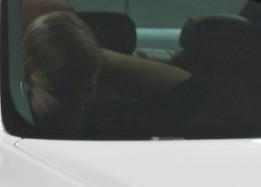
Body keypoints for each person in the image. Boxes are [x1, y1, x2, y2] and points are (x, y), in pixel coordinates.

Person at [22, 10, 189, 135]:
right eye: (63, 93)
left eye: (87, 90)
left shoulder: (105, 119)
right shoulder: (7, 122)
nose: (78, 108)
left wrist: (94, 56)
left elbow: (190, 90)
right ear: (28, 80)